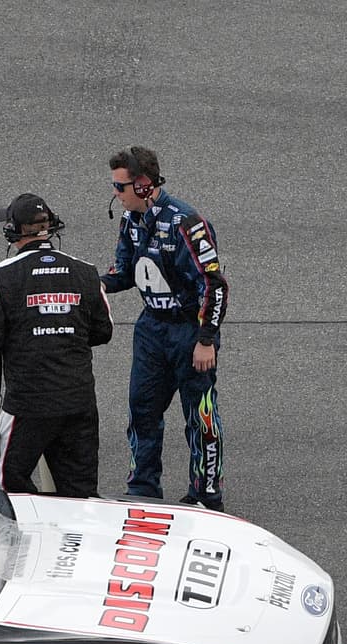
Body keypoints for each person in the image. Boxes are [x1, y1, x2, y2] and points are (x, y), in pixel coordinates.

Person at [102, 146, 228, 511]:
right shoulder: (131, 221)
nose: (116, 193)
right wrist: (93, 284)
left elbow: (213, 284)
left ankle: (206, 494)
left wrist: (206, 339)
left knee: (200, 414)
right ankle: (143, 488)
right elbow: (123, 271)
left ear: (143, 185)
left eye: (120, 186)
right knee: (141, 410)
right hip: (151, 330)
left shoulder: (186, 223)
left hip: (189, 331)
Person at [0, 193, 113, 496]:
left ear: (13, 231)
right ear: (51, 226)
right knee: (81, 494)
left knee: (10, 490)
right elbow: (104, 331)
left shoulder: (1, 276)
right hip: (78, 400)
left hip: (27, 404)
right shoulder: (86, 271)